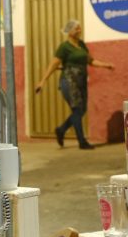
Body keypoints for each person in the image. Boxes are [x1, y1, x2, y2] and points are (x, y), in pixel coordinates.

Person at [34, 19, 114, 150]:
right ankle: (82, 142)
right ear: (69, 31)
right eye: (76, 28)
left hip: (81, 81)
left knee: (82, 110)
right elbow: (53, 65)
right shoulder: (64, 47)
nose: (79, 30)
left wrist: (106, 65)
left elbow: (90, 61)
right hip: (68, 81)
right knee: (77, 109)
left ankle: (61, 129)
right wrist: (43, 80)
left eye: (79, 28)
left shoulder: (81, 45)